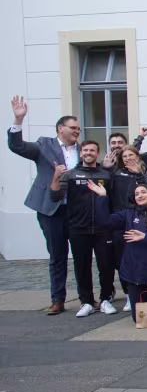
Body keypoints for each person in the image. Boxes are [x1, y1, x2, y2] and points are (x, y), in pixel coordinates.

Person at [7, 97, 78, 314]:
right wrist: (18, 120)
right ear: (60, 128)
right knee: (57, 255)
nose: (77, 131)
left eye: (78, 129)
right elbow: (17, 146)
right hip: (51, 209)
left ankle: (87, 298)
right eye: (73, 128)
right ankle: (58, 299)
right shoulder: (44, 145)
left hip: (76, 210)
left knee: (82, 254)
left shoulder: (83, 150)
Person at [88, 181, 147, 324]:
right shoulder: (128, 214)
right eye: (136, 194)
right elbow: (105, 222)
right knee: (141, 318)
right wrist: (102, 197)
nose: (139, 196)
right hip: (135, 277)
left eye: (143, 192)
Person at [50, 140, 116, 317]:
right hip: (78, 228)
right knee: (82, 267)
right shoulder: (71, 174)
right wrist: (56, 176)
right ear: (81, 153)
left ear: (97, 153)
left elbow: (113, 200)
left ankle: (105, 299)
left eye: (92, 150)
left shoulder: (106, 174)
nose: (88, 153)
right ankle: (86, 302)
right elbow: (55, 196)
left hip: (103, 229)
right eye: (85, 150)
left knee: (106, 266)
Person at [109, 145, 147, 311]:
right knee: (121, 259)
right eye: (125, 156)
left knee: (139, 256)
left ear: (137, 156)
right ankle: (128, 294)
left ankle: (141, 290)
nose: (128, 158)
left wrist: (139, 174)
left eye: (131, 155)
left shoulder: (143, 174)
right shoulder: (116, 173)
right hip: (120, 219)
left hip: (138, 218)